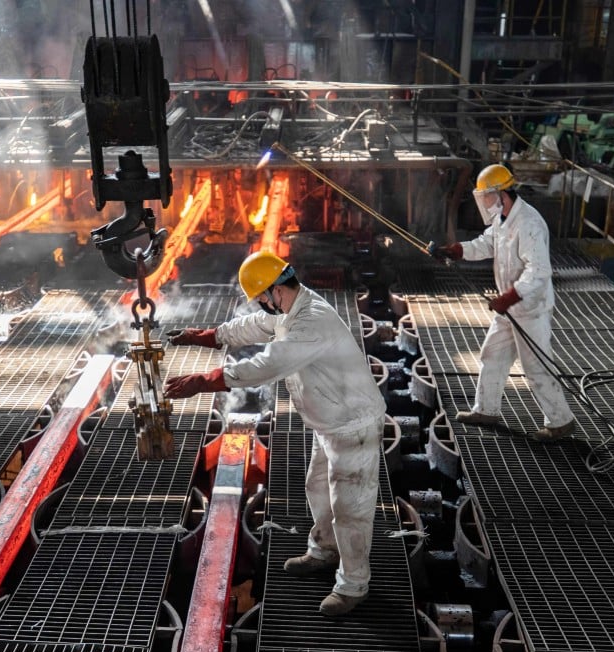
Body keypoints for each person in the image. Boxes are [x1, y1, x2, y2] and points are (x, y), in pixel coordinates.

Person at [164, 251, 386, 617]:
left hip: (353, 425)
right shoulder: (292, 308)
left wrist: (204, 381)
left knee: (350, 508)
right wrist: (203, 337)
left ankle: (353, 585)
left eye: (261, 297)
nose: (261, 305)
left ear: (273, 290)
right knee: (319, 490)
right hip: (329, 423)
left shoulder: (310, 322)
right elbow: (252, 326)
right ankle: (323, 551)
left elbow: (267, 365)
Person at [432, 163, 576, 441]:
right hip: (509, 308)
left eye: (487, 196)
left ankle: (560, 422)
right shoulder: (502, 220)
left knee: (536, 366)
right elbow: (486, 244)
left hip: (529, 309)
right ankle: (486, 410)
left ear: (502, 194)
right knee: (492, 356)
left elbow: (539, 271)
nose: (484, 202)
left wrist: (508, 297)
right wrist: (456, 251)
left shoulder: (529, 224)